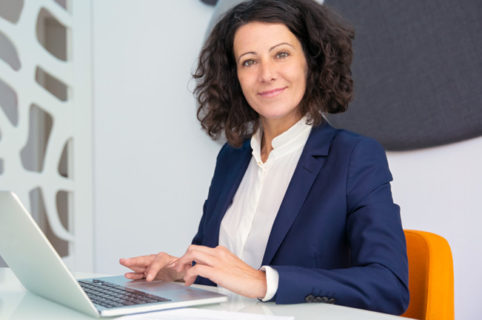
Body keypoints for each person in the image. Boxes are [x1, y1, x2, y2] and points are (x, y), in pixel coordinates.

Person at [120, 0, 409, 315]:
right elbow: (224, 272)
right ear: (235, 77)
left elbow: (388, 287)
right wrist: (180, 272)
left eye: (281, 54)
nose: (266, 74)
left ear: (311, 62)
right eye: (249, 61)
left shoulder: (354, 157)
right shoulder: (231, 158)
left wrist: (264, 282)